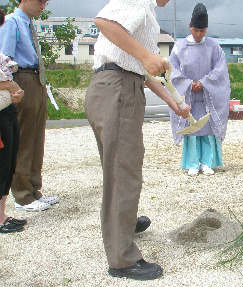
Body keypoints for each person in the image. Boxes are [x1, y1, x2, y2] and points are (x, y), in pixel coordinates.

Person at [85, 0, 190, 281]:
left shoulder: (147, 13)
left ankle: (125, 224)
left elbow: (145, 71)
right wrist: (145, 56)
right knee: (124, 171)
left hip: (117, 86)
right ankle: (122, 259)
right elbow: (104, 22)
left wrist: (173, 102)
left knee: (121, 167)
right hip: (117, 88)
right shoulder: (138, 1)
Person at [0, 0, 59, 212]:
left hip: (36, 79)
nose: (42, 5)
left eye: (45, 2)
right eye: (39, 1)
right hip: (21, 78)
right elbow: (4, 59)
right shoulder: (12, 22)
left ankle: (35, 189)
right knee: (23, 139)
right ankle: (22, 194)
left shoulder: (28, 23)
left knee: (36, 138)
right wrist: (11, 87)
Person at [169, 3, 230, 176]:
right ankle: (192, 163)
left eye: (202, 31)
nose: (199, 34)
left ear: (206, 29)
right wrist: (188, 84)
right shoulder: (179, 46)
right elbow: (172, 70)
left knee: (208, 129)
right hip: (188, 97)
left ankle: (208, 162)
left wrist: (204, 82)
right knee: (192, 130)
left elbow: (220, 69)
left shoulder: (213, 46)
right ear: (190, 27)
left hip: (206, 96)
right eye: (196, 30)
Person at [0, 8, 26, 233]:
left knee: (7, 163)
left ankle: (2, 214)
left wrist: (13, 90)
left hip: (6, 112)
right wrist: (9, 86)